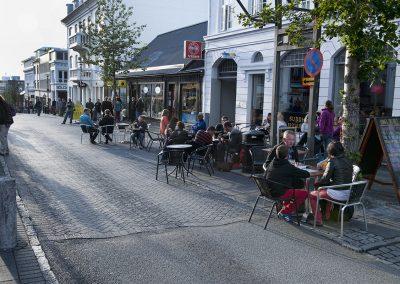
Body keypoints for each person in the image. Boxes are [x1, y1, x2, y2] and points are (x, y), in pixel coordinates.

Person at [309, 141, 353, 226]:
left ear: (330, 151)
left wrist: (316, 184)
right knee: (324, 188)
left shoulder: (332, 161)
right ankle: (326, 215)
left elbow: (325, 179)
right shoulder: (348, 160)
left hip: (337, 193)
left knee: (312, 195)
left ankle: (318, 220)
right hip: (348, 192)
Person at [265, 145, 310, 221]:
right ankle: (285, 211)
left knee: (293, 184)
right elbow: (306, 174)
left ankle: (286, 208)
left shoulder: (272, 163)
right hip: (279, 193)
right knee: (304, 193)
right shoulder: (288, 166)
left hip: (267, 191)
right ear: (287, 155)